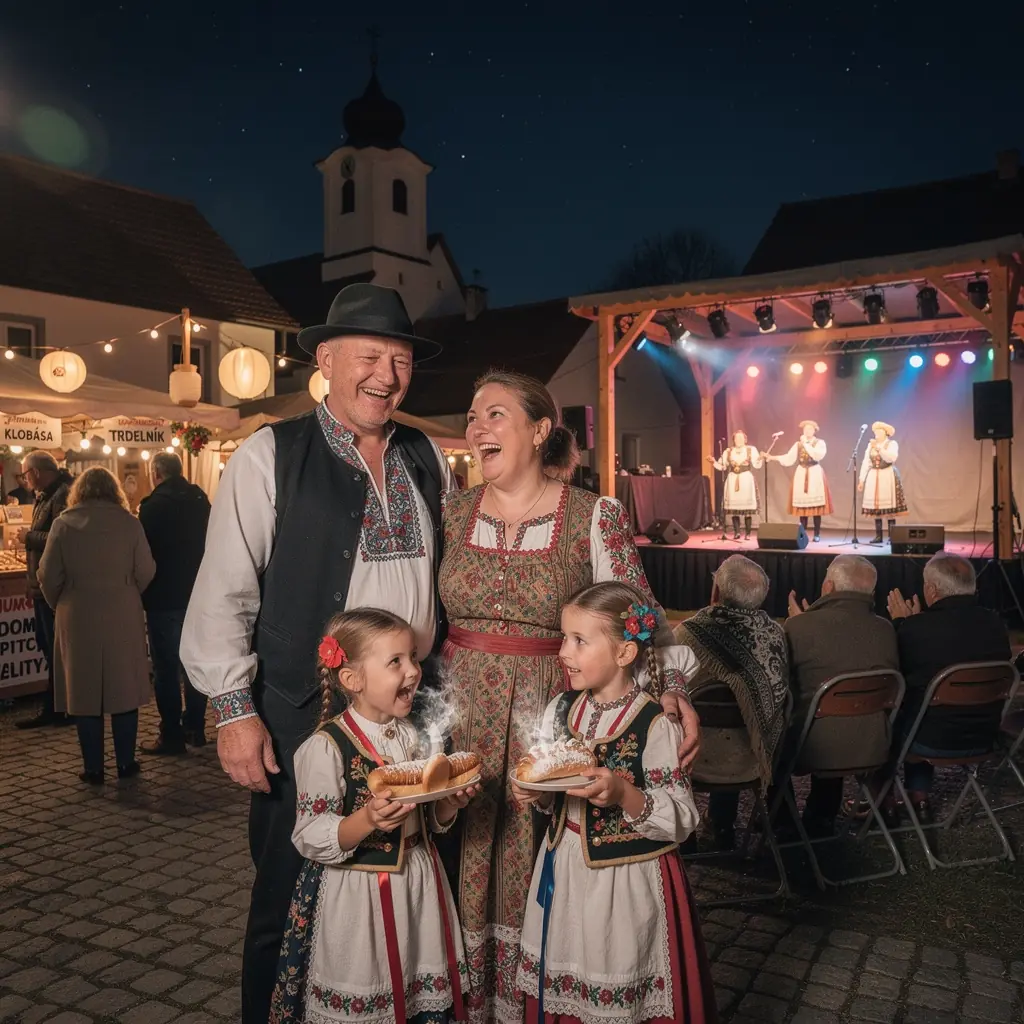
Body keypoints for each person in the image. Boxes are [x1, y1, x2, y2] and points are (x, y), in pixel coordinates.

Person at [180, 283, 454, 1024]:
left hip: (410, 711)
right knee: (289, 885)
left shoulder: (427, 456)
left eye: (400, 360)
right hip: (305, 712)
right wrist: (234, 711)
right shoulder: (271, 452)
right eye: (370, 356)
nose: (387, 376)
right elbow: (225, 592)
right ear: (325, 361)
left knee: (404, 877)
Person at [439, 370, 702, 1024]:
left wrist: (671, 689)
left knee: (538, 853)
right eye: (472, 416)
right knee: (458, 845)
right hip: (458, 707)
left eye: (494, 414)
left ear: (538, 430)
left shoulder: (593, 515)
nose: (476, 428)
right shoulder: (449, 512)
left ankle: (533, 1005)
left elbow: (640, 616)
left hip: (550, 711)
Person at [511, 582, 714, 1024]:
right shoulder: (560, 710)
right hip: (564, 869)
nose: (564, 652)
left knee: (616, 974)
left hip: (627, 881)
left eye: (580, 641)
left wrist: (624, 794)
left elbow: (681, 818)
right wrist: (537, 793)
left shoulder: (655, 724)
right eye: (564, 637)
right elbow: (552, 788)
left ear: (625, 653)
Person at [270, 608, 479, 1022]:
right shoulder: (325, 748)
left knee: (416, 983)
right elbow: (311, 833)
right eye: (396, 662)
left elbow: (428, 820)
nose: (414, 671)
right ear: (353, 679)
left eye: (414, 657)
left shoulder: (414, 738)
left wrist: (448, 804)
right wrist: (366, 820)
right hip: (357, 894)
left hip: (417, 883)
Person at [37, 467, 156, 783]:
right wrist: (127, 591)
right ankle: (126, 763)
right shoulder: (129, 523)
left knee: (83, 692)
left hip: (77, 613)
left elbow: (47, 575)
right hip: (122, 610)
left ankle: (93, 768)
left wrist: (60, 603)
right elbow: (146, 569)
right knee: (124, 689)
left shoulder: (63, 525)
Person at [886, 553, 1011, 823]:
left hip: (929, 741)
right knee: (924, 703)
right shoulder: (996, 624)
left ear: (931, 590)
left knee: (890, 713)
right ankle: (917, 797)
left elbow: (895, 675)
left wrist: (901, 625)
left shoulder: (915, 629)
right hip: (984, 736)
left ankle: (882, 801)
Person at [675, 555, 789, 849]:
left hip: (691, 760)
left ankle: (683, 834)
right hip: (753, 758)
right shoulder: (775, 634)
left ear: (715, 593)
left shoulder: (687, 634)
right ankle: (722, 824)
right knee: (732, 721)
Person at [783, 555, 898, 835]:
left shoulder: (798, 627)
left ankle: (781, 819)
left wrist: (802, 626)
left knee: (780, 718)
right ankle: (821, 814)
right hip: (873, 746)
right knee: (831, 709)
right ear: (871, 594)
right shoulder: (886, 628)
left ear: (828, 587)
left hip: (812, 749)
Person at [138, 451, 211, 754]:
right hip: (199, 594)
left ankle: (171, 735)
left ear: (156, 473)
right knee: (194, 665)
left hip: (164, 596)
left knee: (167, 668)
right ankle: (195, 726)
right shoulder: (200, 500)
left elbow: (145, 553)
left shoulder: (152, 507)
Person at [16, 451, 75, 730]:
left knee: (55, 647)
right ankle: (57, 704)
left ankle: (61, 706)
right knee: (46, 643)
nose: (24, 480)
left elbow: (59, 537)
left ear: (37, 472)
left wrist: (27, 537)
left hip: (53, 587)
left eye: (25, 474)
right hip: (42, 585)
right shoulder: (45, 496)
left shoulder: (60, 495)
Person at [764, 419, 832, 542]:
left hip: (815, 472)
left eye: (810, 429)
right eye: (805, 429)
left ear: (814, 430)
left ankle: (817, 533)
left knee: (816, 505)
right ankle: (803, 534)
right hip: (801, 472)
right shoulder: (798, 444)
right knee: (803, 505)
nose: (807, 431)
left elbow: (817, 455)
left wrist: (806, 443)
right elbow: (789, 458)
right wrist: (772, 457)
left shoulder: (820, 443)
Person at [707, 430, 762, 539]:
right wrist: (713, 462)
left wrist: (760, 458)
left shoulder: (751, 450)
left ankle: (748, 533)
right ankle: (737, 532)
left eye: (741, 438)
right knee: (734, 508)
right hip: (733, 479)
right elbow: (722, 466)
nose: (739, 440)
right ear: (734, 440)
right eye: (737, 438)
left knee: (747, 509)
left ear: (745, 439)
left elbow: (757, 464)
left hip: (746, 479)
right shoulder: (728, 451)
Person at [859, 421, 907, 544]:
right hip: (874, 475)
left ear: (885, 433)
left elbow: (891, 458)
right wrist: (862, 480)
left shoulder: (892, 444)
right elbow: (866, 462)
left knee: (889, 507)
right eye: (875, 432)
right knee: (877, 507)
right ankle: (878, 536)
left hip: (887, 475)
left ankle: (892, 536)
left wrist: (879, 448)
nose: (876, 434)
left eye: (879, 431)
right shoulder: (871, 445)